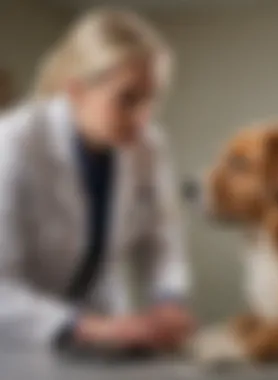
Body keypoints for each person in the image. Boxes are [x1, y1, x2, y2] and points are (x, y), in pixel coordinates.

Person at [0, 8, 193, 353]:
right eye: (127, 99)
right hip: (18, 336)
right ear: (75, 90)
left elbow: (162, 240)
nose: (143, 117)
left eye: (152, 98)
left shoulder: (148, 145)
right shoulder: (13, 144)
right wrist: (84, 326)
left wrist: (168, 300)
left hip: (103, 321)